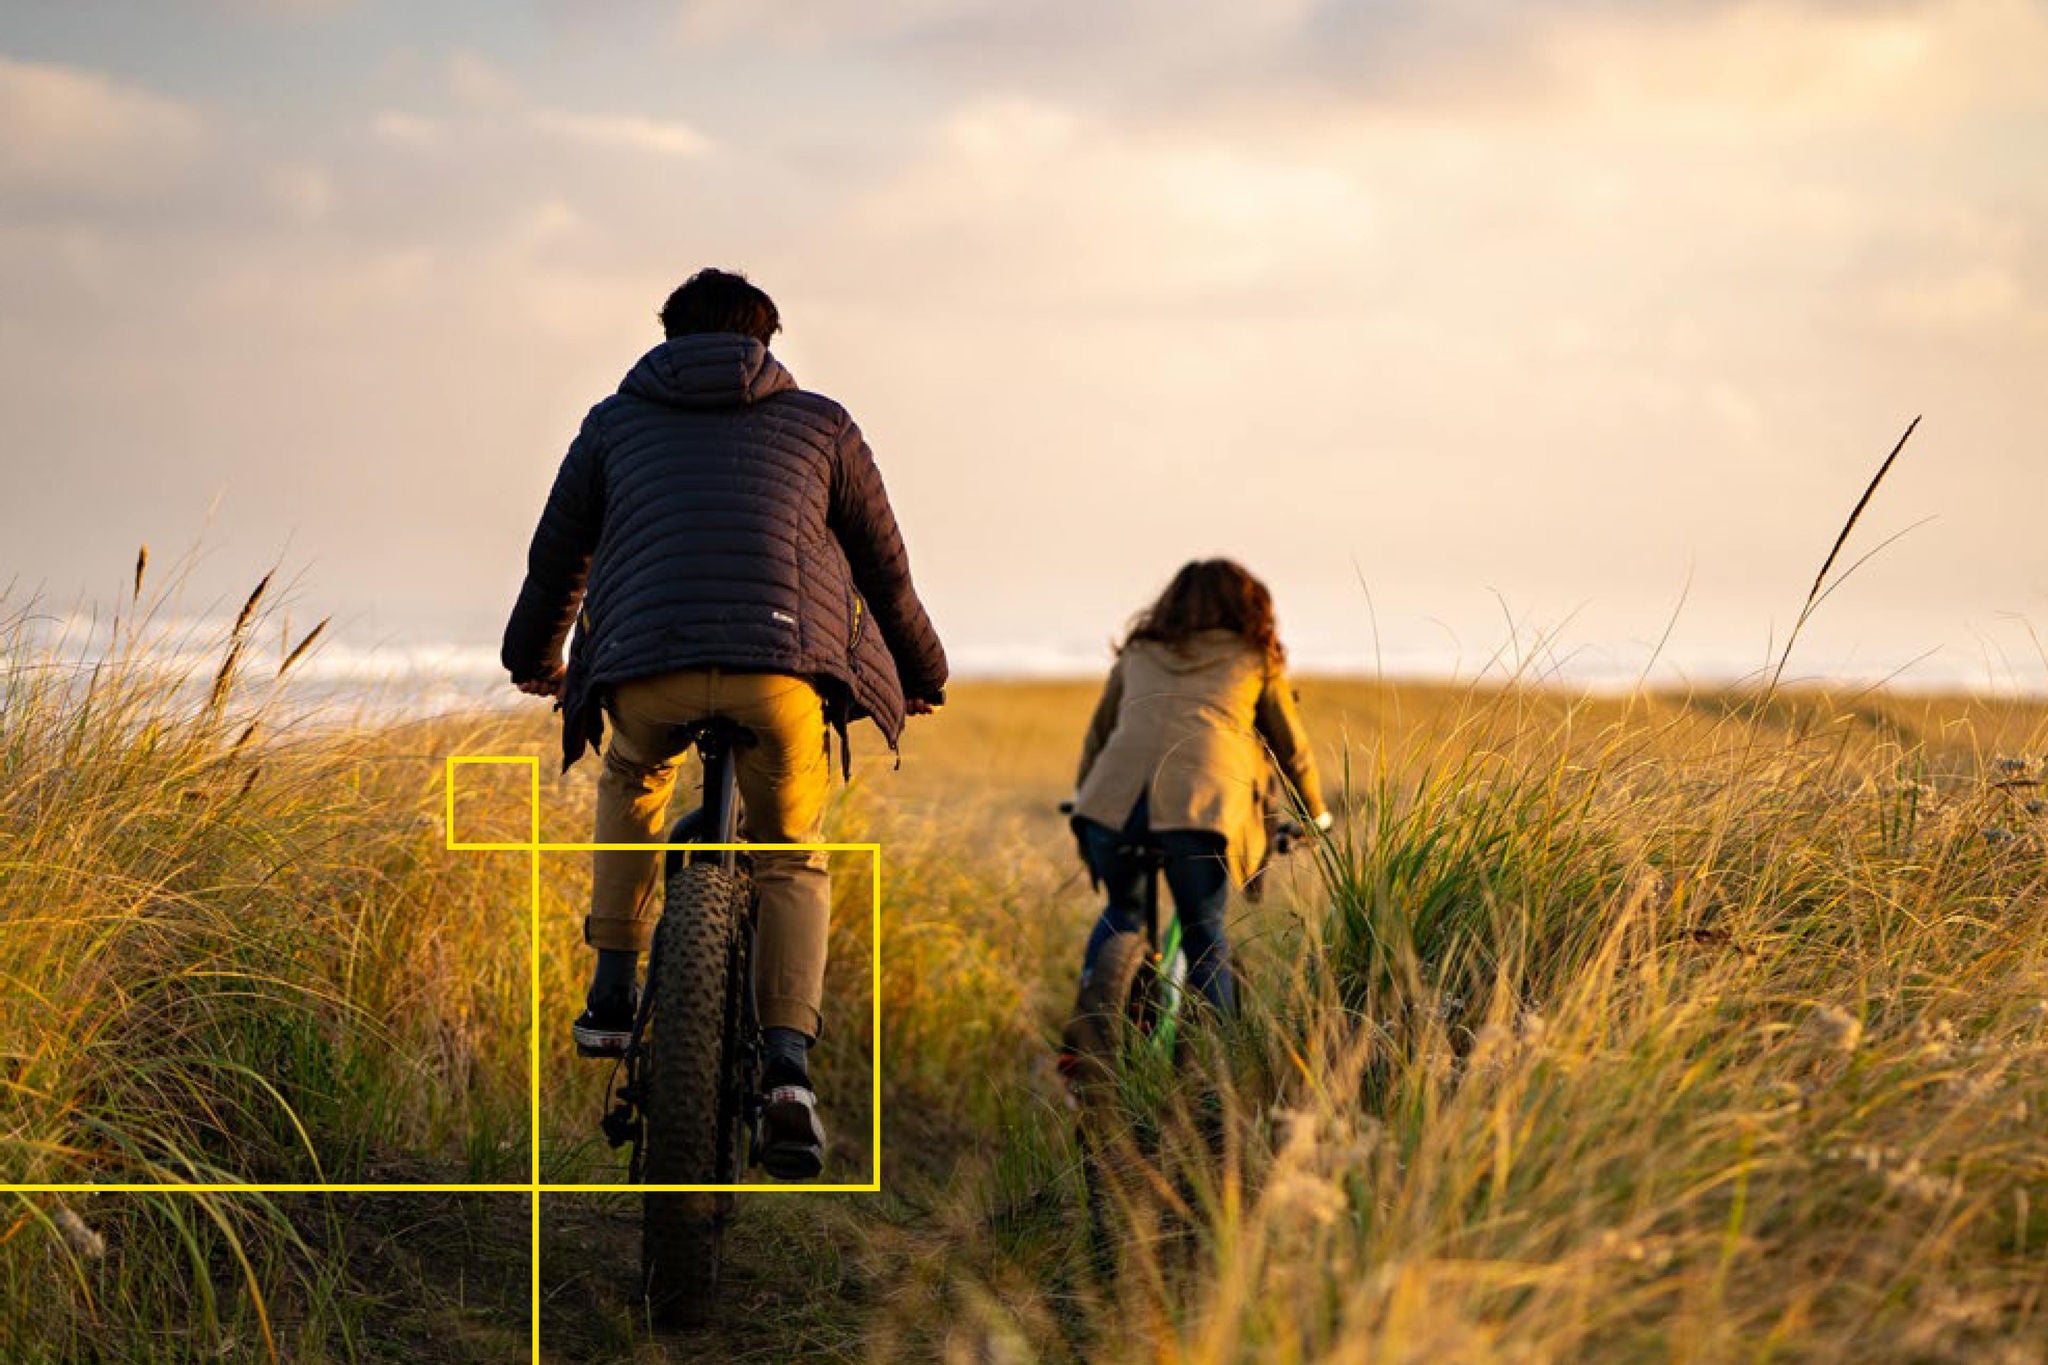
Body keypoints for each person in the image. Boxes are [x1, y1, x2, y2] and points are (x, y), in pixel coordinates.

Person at [501, 268, 948, 1179]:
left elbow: (558, 561)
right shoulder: (822, 425)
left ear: (667, 337)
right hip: (778, 675)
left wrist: (532, 659)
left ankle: (616, 986)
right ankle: (787, 1069)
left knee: (634, 778)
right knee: (790, 851)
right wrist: (922, 673)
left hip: (646, 665)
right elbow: (885, 571)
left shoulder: (610, 424)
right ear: (767, 343)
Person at [1063, 559, 1329, 1048]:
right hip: (1201, 811)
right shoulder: (1255, 659)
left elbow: (1098, 738)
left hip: (1112, 806)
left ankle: (1083, 1047)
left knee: (1122, 909)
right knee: (1204, 935)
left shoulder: (1140, 652)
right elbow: (1292, 749)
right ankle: (1217, 1077)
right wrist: (1317, 815)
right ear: (1250, 608)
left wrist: (1084, 797)